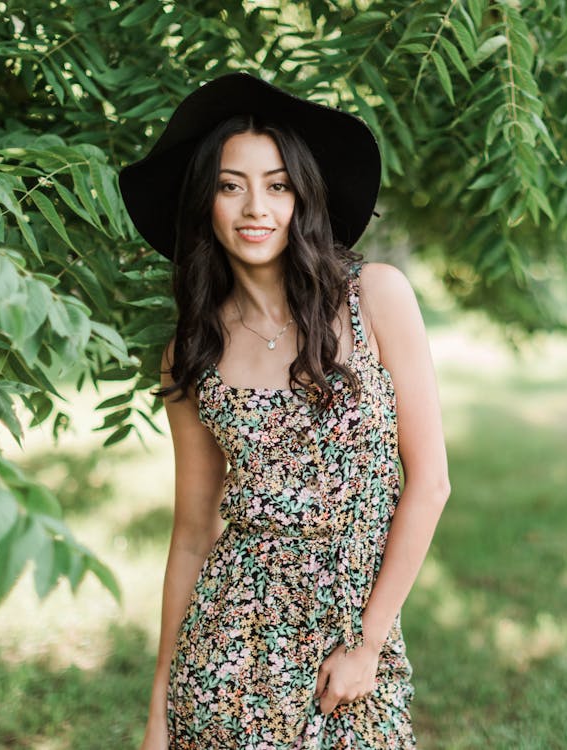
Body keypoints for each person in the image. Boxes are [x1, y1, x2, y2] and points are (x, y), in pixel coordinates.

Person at [118, 73, 450, 749]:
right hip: (225, 654)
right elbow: (191, 534)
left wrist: (368, 641)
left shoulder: (375, 298)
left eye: (276, 185)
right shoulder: (192, 348)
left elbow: (431, 483)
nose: (254, 208)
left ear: (302, 197)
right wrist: (159, 712)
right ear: (205, 202)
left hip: (349, 646)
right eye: (229, 185)